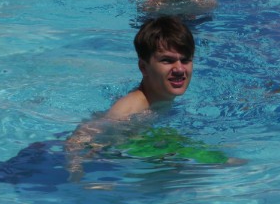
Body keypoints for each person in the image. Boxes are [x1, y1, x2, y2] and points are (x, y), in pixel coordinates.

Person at [65, 16, 196, 173]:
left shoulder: (158, 97)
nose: (179, 69)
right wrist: (76, 170)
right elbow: (77, 141)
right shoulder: (129, 111)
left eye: (185, 60)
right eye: (167, 60)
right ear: (143, 67)